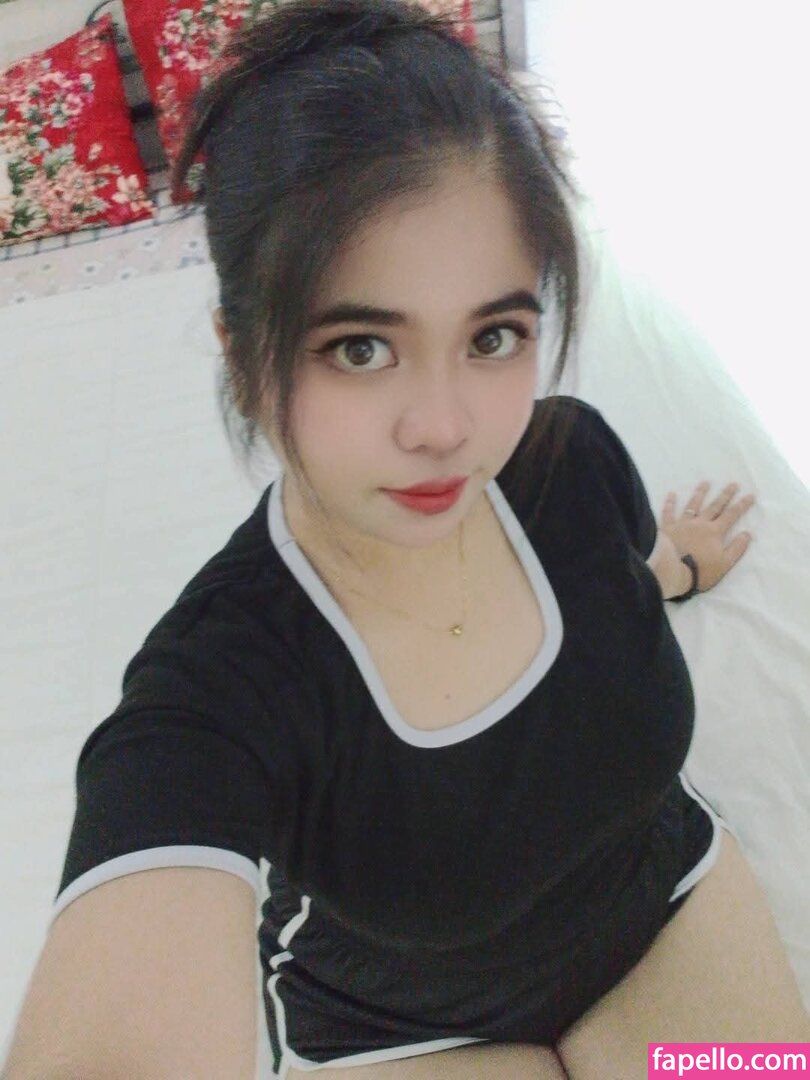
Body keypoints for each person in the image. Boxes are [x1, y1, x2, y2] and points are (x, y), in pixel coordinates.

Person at [5, 1, 809, 1078]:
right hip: (404, 1026)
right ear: (243, 355)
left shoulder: (570, 460)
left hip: (659, 905)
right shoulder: (219, 686)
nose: (444, 428)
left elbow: (611, 584)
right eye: (361, 348)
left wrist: (677, 567)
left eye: (493, 335)